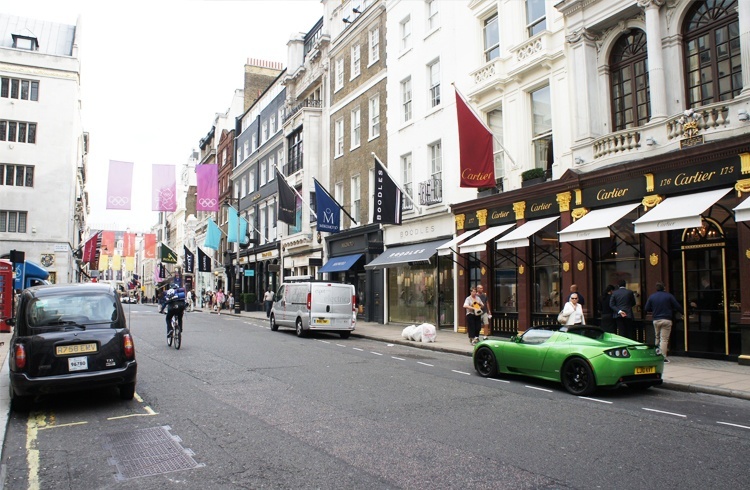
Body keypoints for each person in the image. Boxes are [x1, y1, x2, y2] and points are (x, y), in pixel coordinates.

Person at [644, 282, 682, 363]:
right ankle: (663, 357)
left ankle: (656, 354)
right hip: (666, 319)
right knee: (664, 339)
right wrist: (683, 312)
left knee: (657, 337)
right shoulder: (669, 296)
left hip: (656, 320)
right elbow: (677, 306)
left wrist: (654, 310)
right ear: (664, 287)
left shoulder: (652, 296)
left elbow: (646, 308)